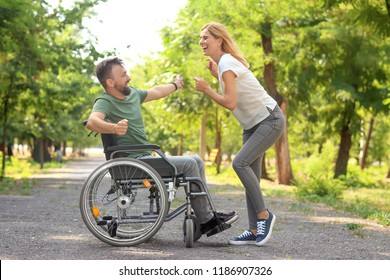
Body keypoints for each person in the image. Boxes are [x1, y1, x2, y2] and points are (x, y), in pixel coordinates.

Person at [86, 57, 238, 237]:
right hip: (132, 162)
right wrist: (114, 127)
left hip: (145, 159)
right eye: (124, 74)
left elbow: (156, 91)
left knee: (197, 160)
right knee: (190, 164)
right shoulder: (105, 101)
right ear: (110, 82)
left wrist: (174, 85)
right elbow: (92, 122)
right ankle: (206, 221)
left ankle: (205, 216)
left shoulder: (132, 94)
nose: (129, 77)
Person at [194, 22, 285, 246]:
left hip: (269, 120)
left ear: (219, 40)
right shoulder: (223, 65)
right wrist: (216, 76)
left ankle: (264, 216)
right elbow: (234, 90)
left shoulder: (226, 62)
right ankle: (254, 229)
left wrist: (208, 89)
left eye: (206, 37)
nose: (202, 42)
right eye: (201, 38)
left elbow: (230, 102)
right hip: (252, 125)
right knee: (249, 176)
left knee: (240, 164)